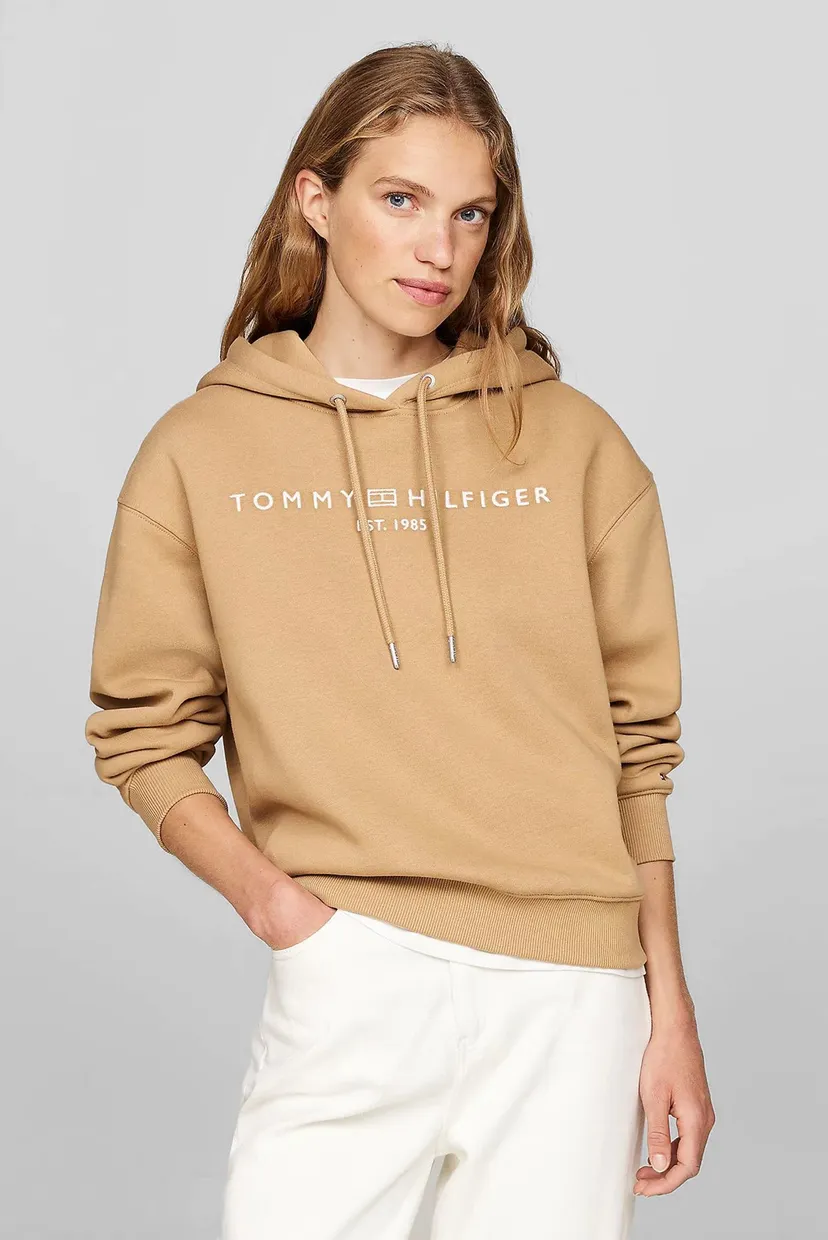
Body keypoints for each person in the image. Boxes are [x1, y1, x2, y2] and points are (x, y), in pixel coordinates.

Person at [84, 41, 715, 1240]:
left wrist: (666, 1005)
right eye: (401, 199)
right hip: (352, 974)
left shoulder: (574, 444)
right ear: (316, 201)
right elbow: (143, 737)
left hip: (573, 996)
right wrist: (280, 910)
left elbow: (639, 750)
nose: (440, 248)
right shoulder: (201, 453)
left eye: (471, 213)